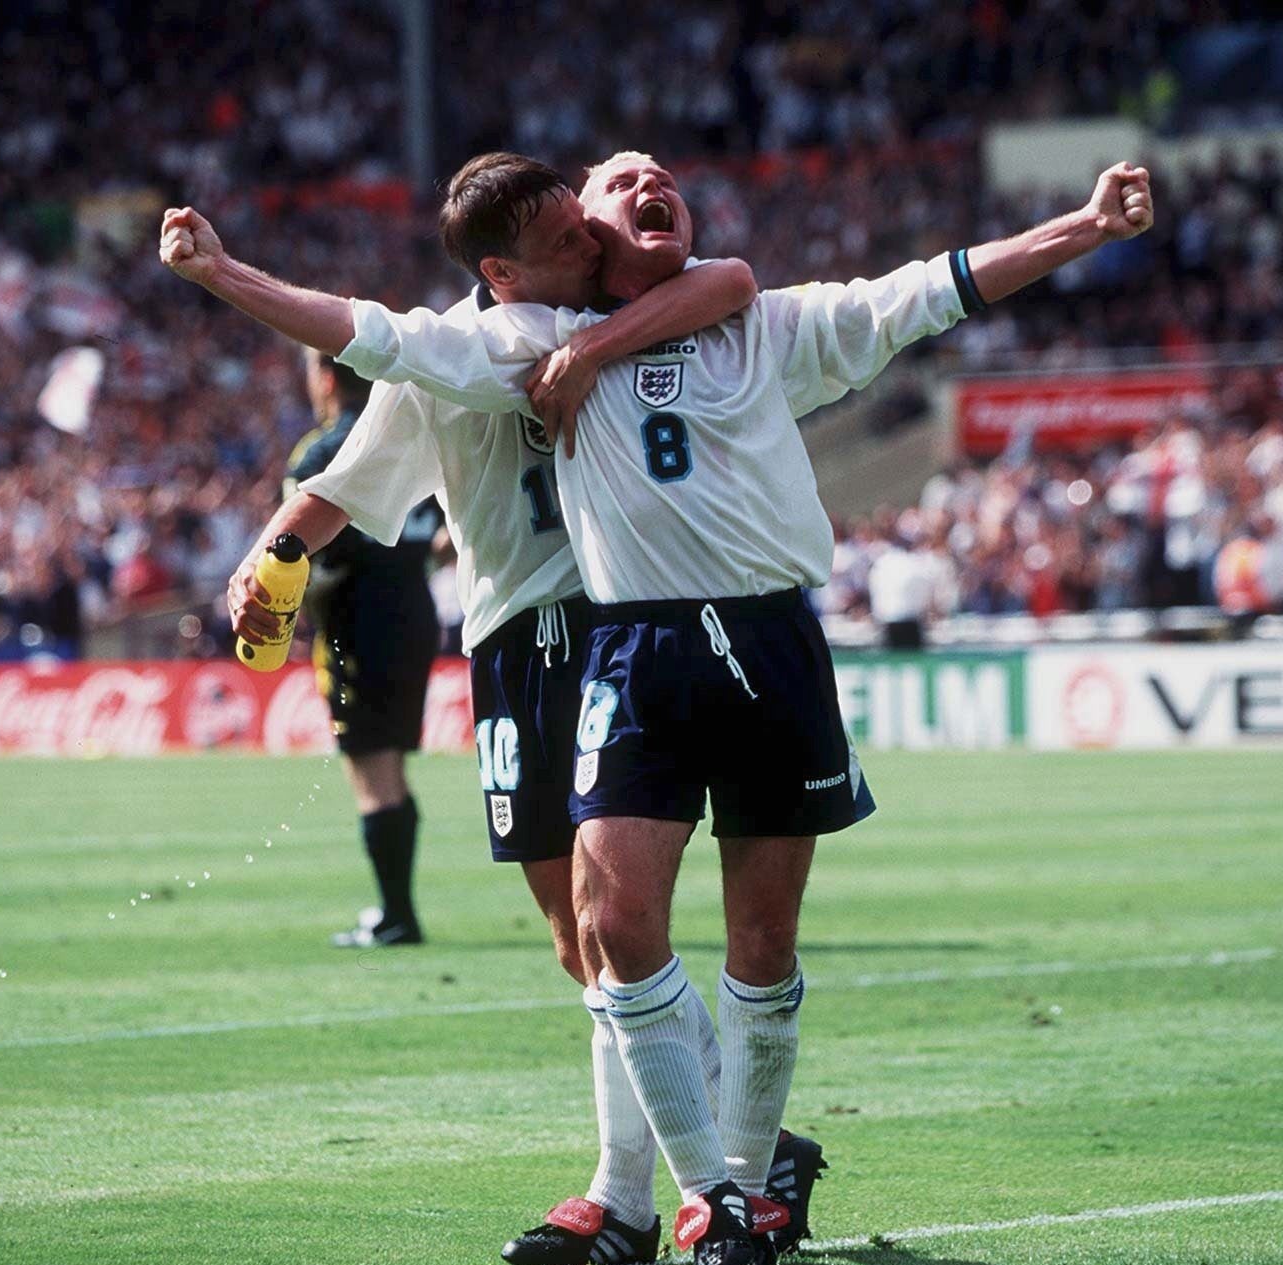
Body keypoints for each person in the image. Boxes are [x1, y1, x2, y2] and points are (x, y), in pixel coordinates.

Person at [193, 149, 1152, 1265]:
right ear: (539, 257)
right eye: (585, 214)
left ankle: (670, 1192)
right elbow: (363, 429)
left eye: (634, 192)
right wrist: (270, 546)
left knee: (679, 933)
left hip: (642, 626)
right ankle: (703, 1178)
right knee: (588, 937)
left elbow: (809, 287)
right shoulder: (499, 343)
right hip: (558, 635)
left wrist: (1078, 227)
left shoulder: (700, 320)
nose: (616, 213)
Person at [162, 156, 819, 1265]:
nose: (591, 247)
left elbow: (732, 283)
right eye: (568, 236)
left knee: (614, 935)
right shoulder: (447, 355)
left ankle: (643, 1194)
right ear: (506, 266)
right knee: (581, 940)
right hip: (515, 637)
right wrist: (266, 555)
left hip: (616, 624)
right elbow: (351, 484)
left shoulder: (627, 310)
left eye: (587, 225)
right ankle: (741, 1154)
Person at [287, 347, 442, 948]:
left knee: (373, 771)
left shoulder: (322, 451)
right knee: (390, 769)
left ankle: (396, 915)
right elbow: (438, 534)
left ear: (325, 378)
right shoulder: (408, 438)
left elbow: (302, 555)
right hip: (416, 616)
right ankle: (396, 910)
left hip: (359, 626)